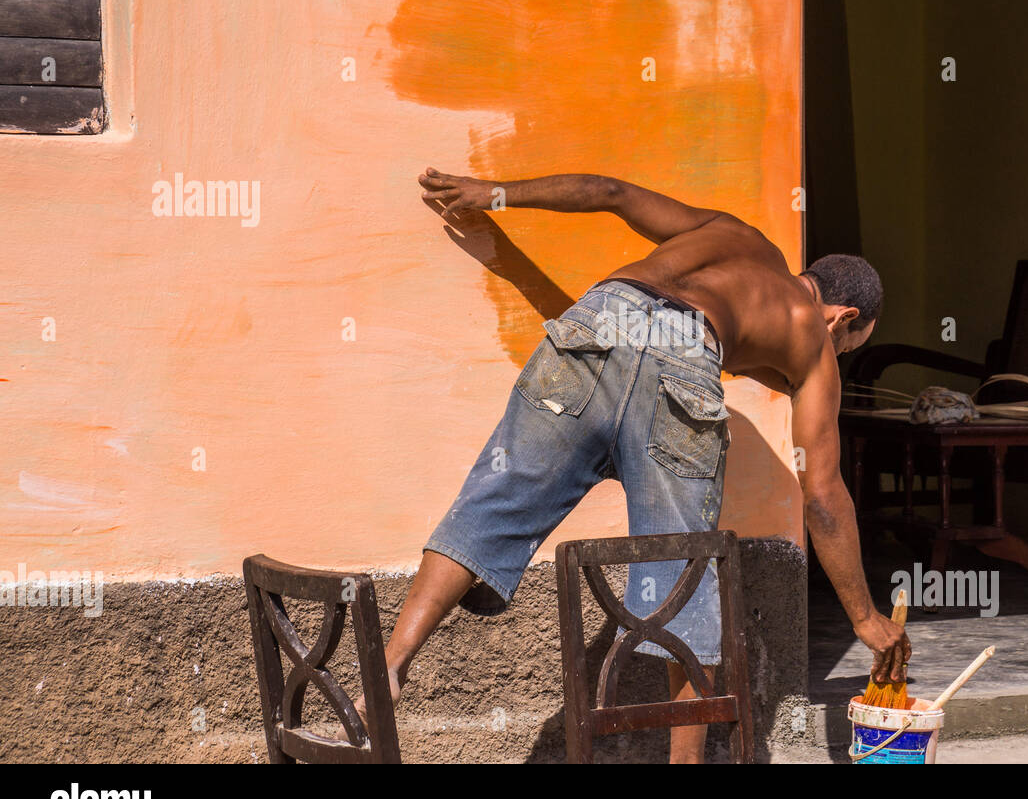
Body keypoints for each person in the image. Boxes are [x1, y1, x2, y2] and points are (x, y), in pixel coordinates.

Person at [364, 169, 910, 763]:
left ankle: (391, 666)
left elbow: (611, 194)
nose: (835, 359)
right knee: (686, 571)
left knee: (494, 502)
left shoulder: (735, 234)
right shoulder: (811, 338)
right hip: (684, 355)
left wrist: (491, 192)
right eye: (846, 349)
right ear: (841, 317)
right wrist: (865, 617)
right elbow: (824, 494)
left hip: (595, 320)